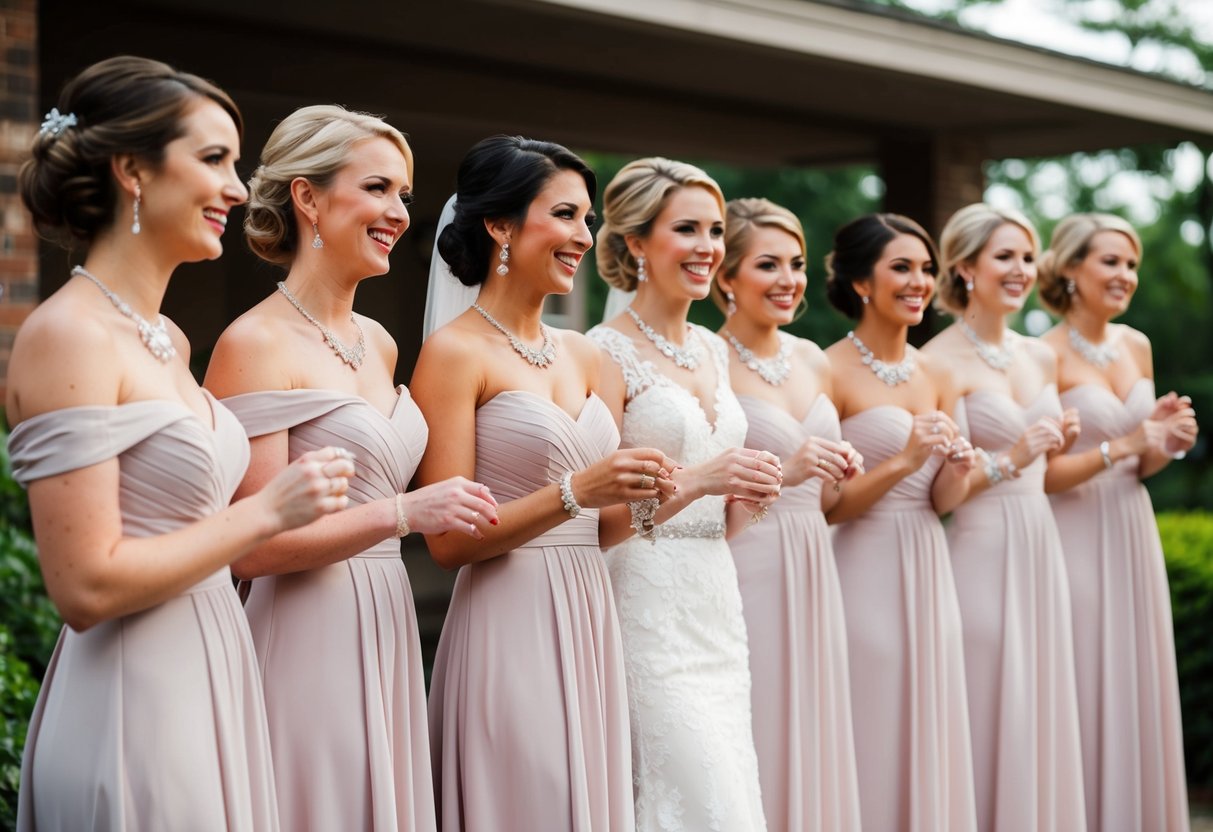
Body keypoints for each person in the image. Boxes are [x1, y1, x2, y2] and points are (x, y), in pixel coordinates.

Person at [6, 56, 354, 831]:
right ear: (132, 170)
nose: (237, 187)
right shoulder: (65, 335)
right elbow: (85, 587)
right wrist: (267, 514)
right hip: (136, 699)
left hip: (212, 669)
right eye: (214, 160)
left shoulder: (164, 336)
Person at [203, 105, 498, 831]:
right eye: (377, 189)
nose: (398, 212)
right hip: (306, 630)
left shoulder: (378, 342)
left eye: (402, 194)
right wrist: (403, 514)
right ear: (307, 198)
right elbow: (251, 545)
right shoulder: (254, 343)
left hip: (386, 616)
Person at [411, 135, 678, 832]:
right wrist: (576, 492)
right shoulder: (452, 354)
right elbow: (445, 542)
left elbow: (607, 526)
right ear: (498, 224)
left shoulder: (591, 356)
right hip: (507, 619)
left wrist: (682, 489)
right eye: (563, 215)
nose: (582, 236)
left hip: (590, 615)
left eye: (586, 219)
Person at [589, 158, 782, 832]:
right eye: (687, 229)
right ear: (635, 242)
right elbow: (599, 520)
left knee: (727, 775)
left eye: (716, 230)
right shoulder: (600, 352)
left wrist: (747, 495)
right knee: (683, 779)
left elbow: (715, 516)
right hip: (642, 600)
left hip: (714, 599)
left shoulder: (712, 348)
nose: (708, 247)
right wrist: (699, 479)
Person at [921, 203, 1087, 831]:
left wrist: (1057, 443)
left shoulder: (1040, 357)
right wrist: (1013, 458)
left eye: (1026, 256)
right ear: (964, 267)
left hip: (1042, 544)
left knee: (1042, 704)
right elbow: (941, 497)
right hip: (980, 551)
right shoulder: (937, 361)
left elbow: (1044, 463)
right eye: (1004, 257)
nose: (1020, 270)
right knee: (990, 701)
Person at [1039, 213, 1197, 832]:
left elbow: (1143, 462)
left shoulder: (1136, 345)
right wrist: (1129, 443)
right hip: (1070, 529)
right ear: (1070, 268)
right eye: (1110, 262)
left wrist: (1164, 437)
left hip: (1131, 526)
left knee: (1134, 680)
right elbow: (1042, 474)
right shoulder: (1041, 355)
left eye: (1130, 264)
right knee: (1081, 674)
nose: (1124, 275)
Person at [822, 213, 978, 832]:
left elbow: (943, 500)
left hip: (927, 558)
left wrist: (957, 466)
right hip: (862, 561)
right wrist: (908, 460)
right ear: (862, 283)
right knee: (874, 710)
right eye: (902, 268)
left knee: (930, 715)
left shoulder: (938, 372)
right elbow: (833, 504)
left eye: (926, 269)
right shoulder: (828, 369)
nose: (920, 282)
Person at [714, 197, 864, 831]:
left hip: (814, 558)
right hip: (748, 560)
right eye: (767, 264)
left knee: (816, 720)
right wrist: (790, 470)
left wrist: (840, 470)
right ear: (725, 277)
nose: (788, 280)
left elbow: (830, 505)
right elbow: (705, 496)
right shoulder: (707, 363)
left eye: (797, 264)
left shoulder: (813, 358)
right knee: (761, 718)